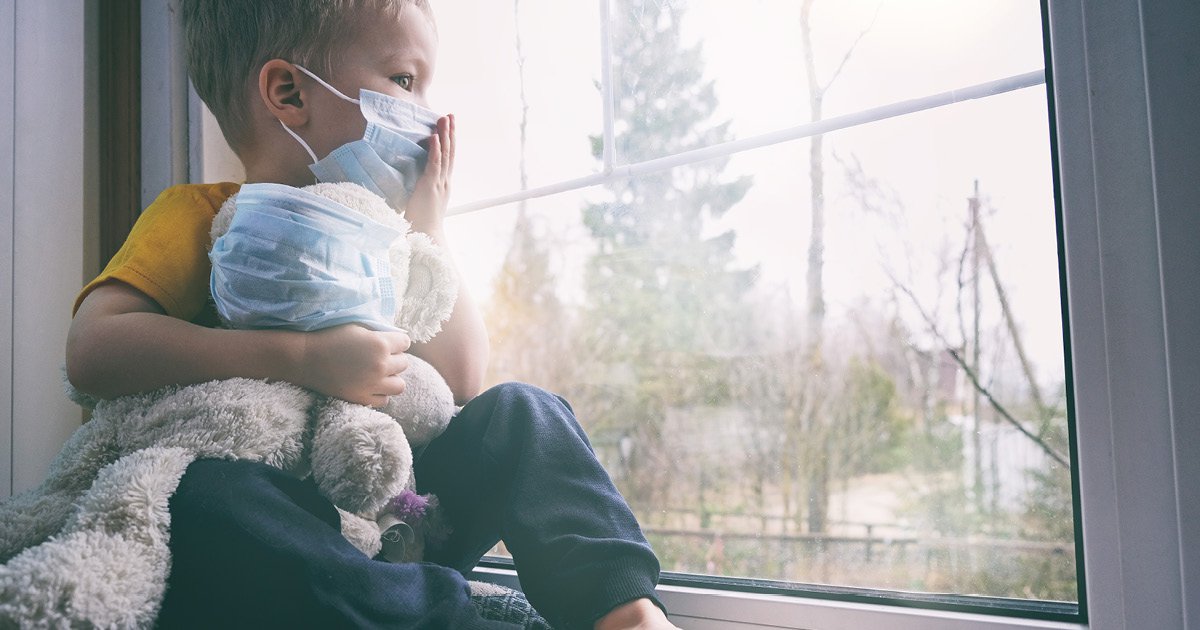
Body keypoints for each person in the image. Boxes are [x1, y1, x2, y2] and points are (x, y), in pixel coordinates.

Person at [65, 1, 678, 628]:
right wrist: (302, 359)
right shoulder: (201, 214)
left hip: (399, 515)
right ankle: (450, 617)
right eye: (405, 81)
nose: (432, 113)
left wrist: (427, 227)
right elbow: (94, 350)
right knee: (202, 496)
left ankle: (623, 610)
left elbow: (464, 379)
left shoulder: (391, 233)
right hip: (288, 525)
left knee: (526, 413)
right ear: (287, 92)